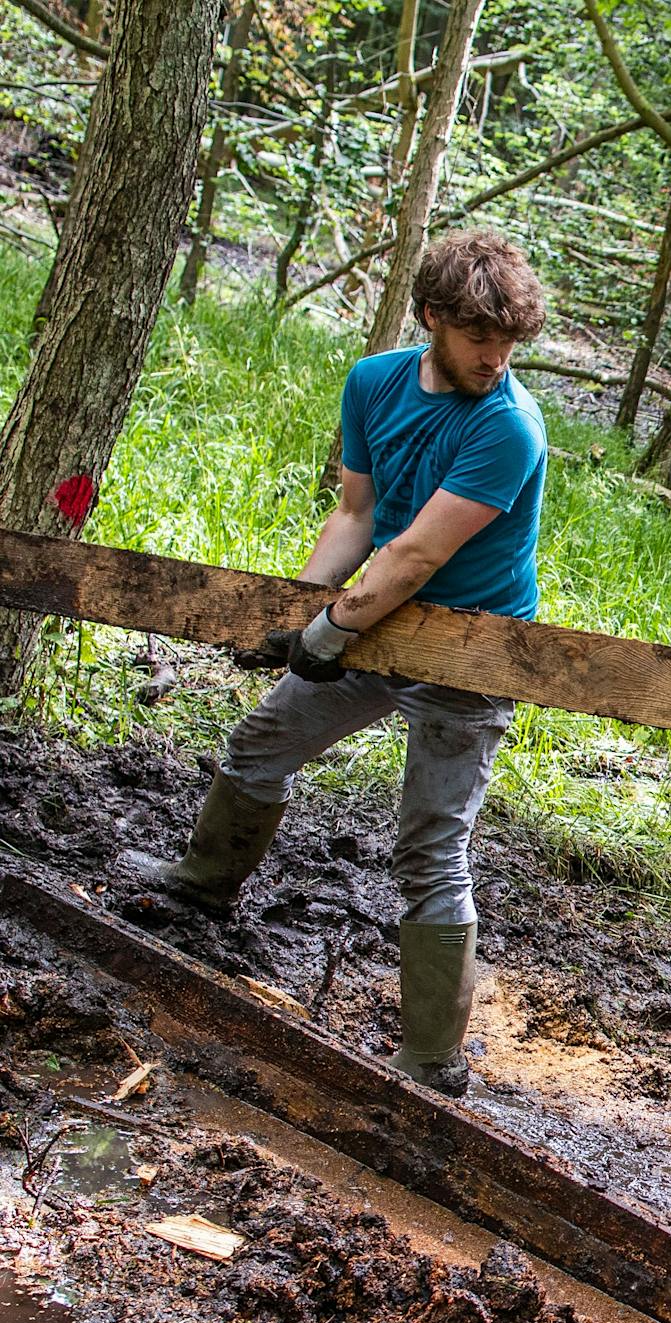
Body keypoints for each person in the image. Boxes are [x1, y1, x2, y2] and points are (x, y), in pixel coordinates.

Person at [124, 229, 549, 1097]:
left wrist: (329, 630)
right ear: (431, 317)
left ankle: (432, 1060)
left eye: (508, 343)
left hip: (472, 644)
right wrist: (292, 613)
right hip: (381, 624)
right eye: (479, 338)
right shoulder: (374, 383)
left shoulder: (510, 426)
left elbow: (417, 557)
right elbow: (360, 518)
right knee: (263, 740)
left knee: (433, 846)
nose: (495, 359)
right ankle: (203, 884)